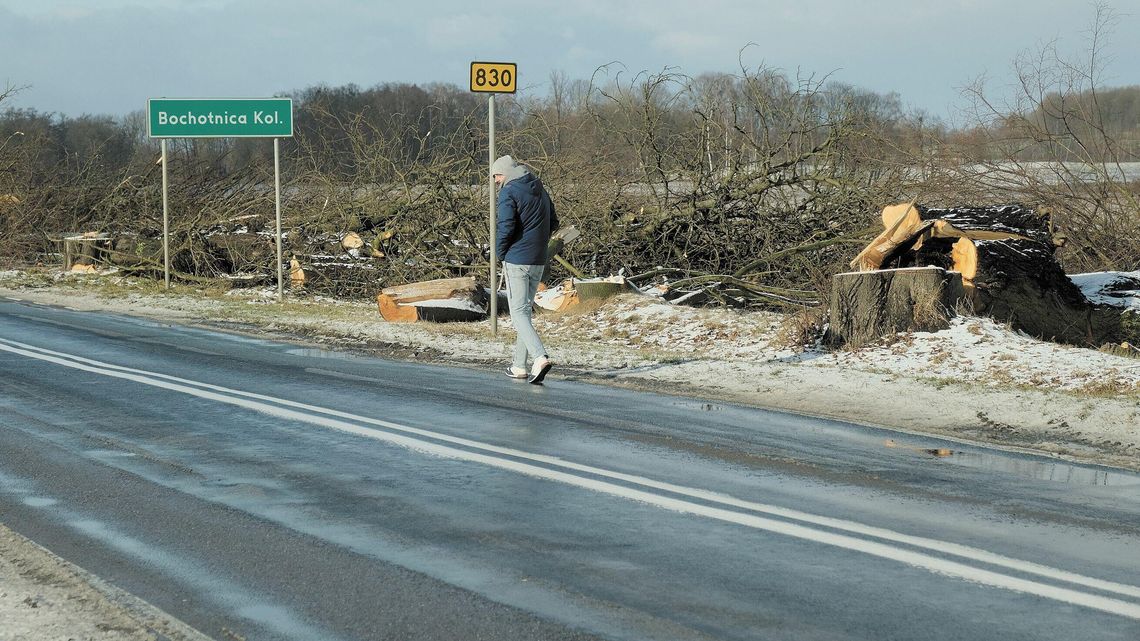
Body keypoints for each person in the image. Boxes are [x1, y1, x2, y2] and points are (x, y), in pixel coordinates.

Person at [492, 154, 558, 384]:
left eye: (497, 176)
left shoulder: (509, 192)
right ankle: (519, 366)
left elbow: (506, 226)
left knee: (518, 313)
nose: (496, 181)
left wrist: (500, 252)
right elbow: (554, 222)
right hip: (538, 258)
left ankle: (540, 357)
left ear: (506, 174)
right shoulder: (539, 188)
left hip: (517, 259)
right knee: (525, 312)